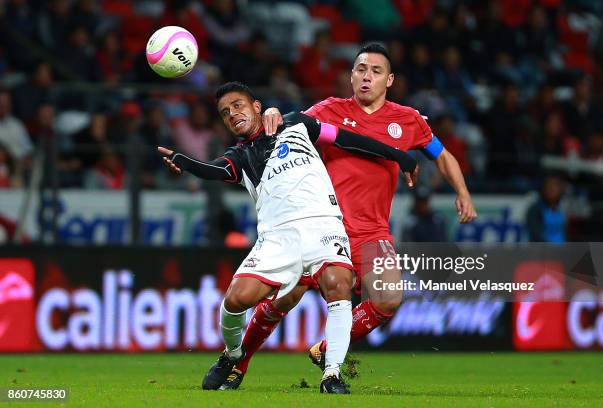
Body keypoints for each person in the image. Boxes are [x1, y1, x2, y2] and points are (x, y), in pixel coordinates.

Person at [222, 43, 477, 390]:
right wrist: (273, 111)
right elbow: (288, 125)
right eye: (360, 69)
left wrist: (462, 193)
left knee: (388, 298)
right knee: (282, 301)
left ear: (390, 80)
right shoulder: (329, 110)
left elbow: (442, 155)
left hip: (372, 231)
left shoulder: (408, 120)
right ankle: (239, 364)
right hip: (324, 227)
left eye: (375, 71)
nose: (366, 76)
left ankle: (328, 349)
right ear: (351, 76)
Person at [158, 81, 419, 394]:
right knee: (236, 300)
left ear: (257, 106)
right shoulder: (240, 157)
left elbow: (348, 139)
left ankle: (331, 375)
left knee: (338, 286)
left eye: (238, 105)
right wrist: (185, 163)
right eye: (225, 113)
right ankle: (233, 354)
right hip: (278, 237)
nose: (232, 114)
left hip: (324, 225)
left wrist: (397, 156)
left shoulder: (297, 123)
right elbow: (212, 170)